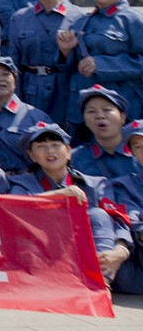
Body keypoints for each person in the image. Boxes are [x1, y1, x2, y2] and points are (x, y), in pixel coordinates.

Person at [9, 122, 133, 290]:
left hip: (85, 254)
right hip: (43, 254)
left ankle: (100, 280)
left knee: (98, 214)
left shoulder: (95, 184)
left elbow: (117, 219)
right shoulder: (22, 183)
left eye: (55, 145)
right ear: (32, 155)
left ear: (68, 151)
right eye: (41, 146)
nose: (50, 151)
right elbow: (13, 208)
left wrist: (121, 250)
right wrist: (56, 196)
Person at [64, 0, 143, 123]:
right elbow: (69, 69)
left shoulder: (132, 19)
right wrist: (64, 52)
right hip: (84, 106)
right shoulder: (81, 22)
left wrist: (101, 64)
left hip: (124, 105)